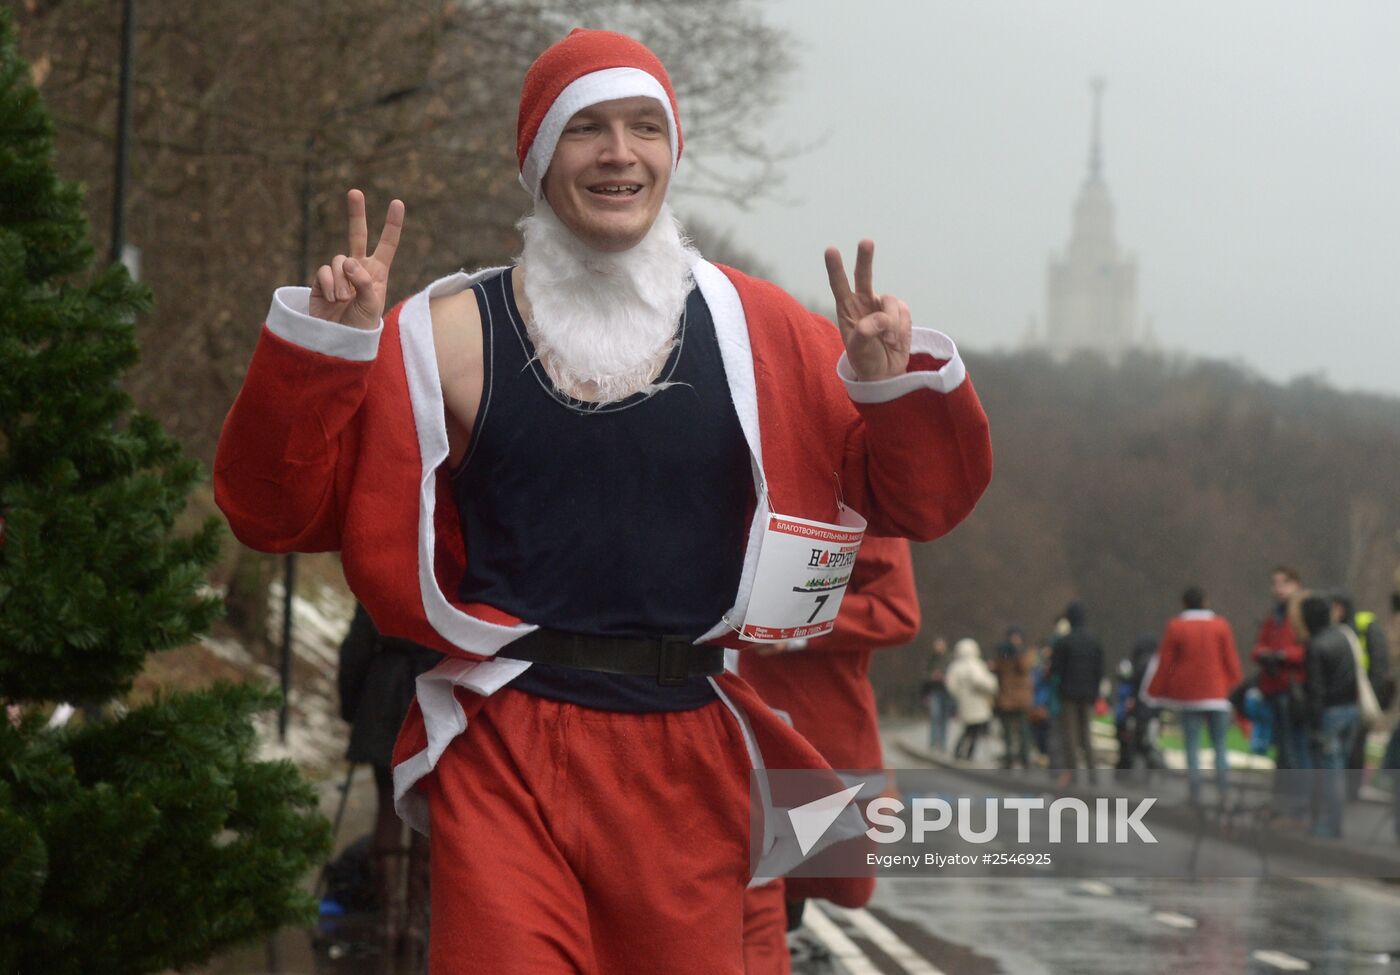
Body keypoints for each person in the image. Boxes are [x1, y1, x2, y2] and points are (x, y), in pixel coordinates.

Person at [213, 28, 992, 974]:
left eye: (643, 128)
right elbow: (273, 510)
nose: (619, 153)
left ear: (671, 151)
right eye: (587, 129)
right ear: (539, 158)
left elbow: (929, 499)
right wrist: (325, 350)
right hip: (508, 742)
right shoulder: (444, 338)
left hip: (687, 755)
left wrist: (887, 385)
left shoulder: (763, 332)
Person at [737, 536, 919, 974]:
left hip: (808, 730)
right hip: (703, 720)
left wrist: (798, 623)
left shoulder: (857, 499)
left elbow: (897, 611)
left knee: (826, 881)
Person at [337, 604, 441, 954]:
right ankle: (416, 918)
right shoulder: (447, 570)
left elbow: (355, 647)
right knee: (424, 809)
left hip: (384, 695)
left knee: (387, 806)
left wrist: (353, 706)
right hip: (434, 695)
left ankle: (389, 918)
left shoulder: (382, 571)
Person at [1142, 587, 1243, 807]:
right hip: (1217, 695)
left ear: (1184, 603)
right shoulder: (1220, 626)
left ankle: (1195, 794)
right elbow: (1231, 662)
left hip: (1189, 696)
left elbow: (1165, 662)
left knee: (1192, 745)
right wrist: (1234, 688)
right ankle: (1224, 793)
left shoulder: (1177, 627)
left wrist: (1154, 691)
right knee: (1220, 745)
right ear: (1206, 601)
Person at [1251, 565, 1310, 820]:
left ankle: (1294, 807)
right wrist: (1266, 655)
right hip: (1273, 687)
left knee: (1293, 752)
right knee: (1283, 752)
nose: (1277, 589)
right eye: (1274, 584)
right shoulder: (1273, 616)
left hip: (1292, 688)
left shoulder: (1301, 613)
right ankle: (1281, 804)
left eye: (1282, 583)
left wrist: (1283, 655)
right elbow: (1258, 646)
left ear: (1295, 584)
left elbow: (1307, 648)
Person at [1301, 595, 1360, 839]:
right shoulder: (1342, 637)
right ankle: (1331, 822)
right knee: (1338, 769)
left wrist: (1315, 723)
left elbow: (1316, 690)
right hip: (1350, 710)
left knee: (1330, 773)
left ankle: (1329, 825)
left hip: (1331, 713)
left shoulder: (1316, 645)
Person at [1331, 591, 1394, 798]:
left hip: (1360, 697)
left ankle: (1351, 791)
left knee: (1355, 746)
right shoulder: (1333, 629)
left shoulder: (1365, 624)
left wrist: (1372, 699)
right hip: (1341, 697)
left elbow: (1379, 665)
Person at [1050, 602, 1104, 779]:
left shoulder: (1064, 642)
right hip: (1088, 694)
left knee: (1071, 735)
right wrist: (1095, 692)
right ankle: (1092, 772)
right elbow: (1099, 670)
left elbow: (1055, 669)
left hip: (1068, 693)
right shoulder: (1094, 641)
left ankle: (1073, 773)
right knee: (1086, 734)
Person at [990, 625, 1035, 769]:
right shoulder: (1003, 653)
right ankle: (1009, 757)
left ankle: (1025, 757)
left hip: (1020, 697)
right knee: (1007, 730)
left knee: (1022, 729)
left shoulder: (1025, 653)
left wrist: (1018, 652)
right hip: (1005, 696)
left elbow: (1025, 668)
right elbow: (996, 669)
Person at [947, 638, 998, 761]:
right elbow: (981, 681)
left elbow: (951, 685)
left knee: (968, 729)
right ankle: (967, 753)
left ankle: (960, 751)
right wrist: (993, 685)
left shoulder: (955, 666)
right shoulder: (975, 664)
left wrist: (959, 695)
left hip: (965, 703)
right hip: (977, 702)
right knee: (973, 730)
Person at [922, 636, 954, 752]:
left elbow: (954, 674)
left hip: (947, 692)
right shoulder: (931, 659)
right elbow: (924, 675)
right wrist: (932, 676)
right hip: (934, 691)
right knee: (935, 717)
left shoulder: (950, 659)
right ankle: (933, 743)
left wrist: (945, 677)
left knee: (944, 719)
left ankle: (943, 744)